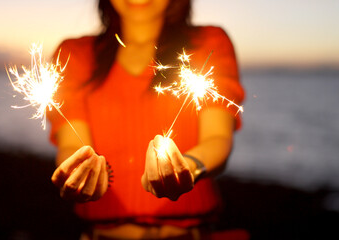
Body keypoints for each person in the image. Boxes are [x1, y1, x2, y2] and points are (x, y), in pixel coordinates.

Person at [49, 0, 246, 239]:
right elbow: (72, 145)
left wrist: (190, 167)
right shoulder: (75, 54)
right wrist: (76, 174)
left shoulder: (209, 42)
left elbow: (218, 137)